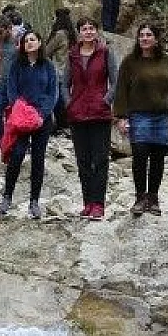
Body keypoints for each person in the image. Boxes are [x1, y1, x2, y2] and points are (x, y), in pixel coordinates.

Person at [114, 23, 168, 217]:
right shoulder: (130, 62)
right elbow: (121, 89)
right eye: (141, 35)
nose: (144, 38)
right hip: (139, 115)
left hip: (162, 116)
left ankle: (153, 198)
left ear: (156, 39)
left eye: (149, 35)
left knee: (158, 158)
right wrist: (120, 116)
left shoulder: (166, 61)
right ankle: (139, 198)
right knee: (139, 156)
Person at [1, 29, 59, 219]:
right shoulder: (17, 65)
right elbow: (12, 90)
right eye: (26, 41)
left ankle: (34, 201)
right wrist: (21, 110)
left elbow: (53, 93)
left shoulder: (48, 66)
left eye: (33, 40)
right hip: (22, 117)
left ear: (40, 43)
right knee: (16, 154)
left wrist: (42, 114)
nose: (29, 43)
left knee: (38, 158)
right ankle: (7, 196)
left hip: (42, 119)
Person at [65, 17, 117, 219]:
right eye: (84, 29)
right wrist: (68, 101)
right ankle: (87, 202)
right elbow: (64, 82)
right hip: (77, 113)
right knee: (83, 160)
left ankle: (98, 203)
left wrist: (106, 100)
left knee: (100, 159)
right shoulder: (73, 55)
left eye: (91, 28)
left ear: (96, 31)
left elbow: (116, 80)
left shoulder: (105, 52)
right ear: (79, 32)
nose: (88, 32)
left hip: (99, 113)